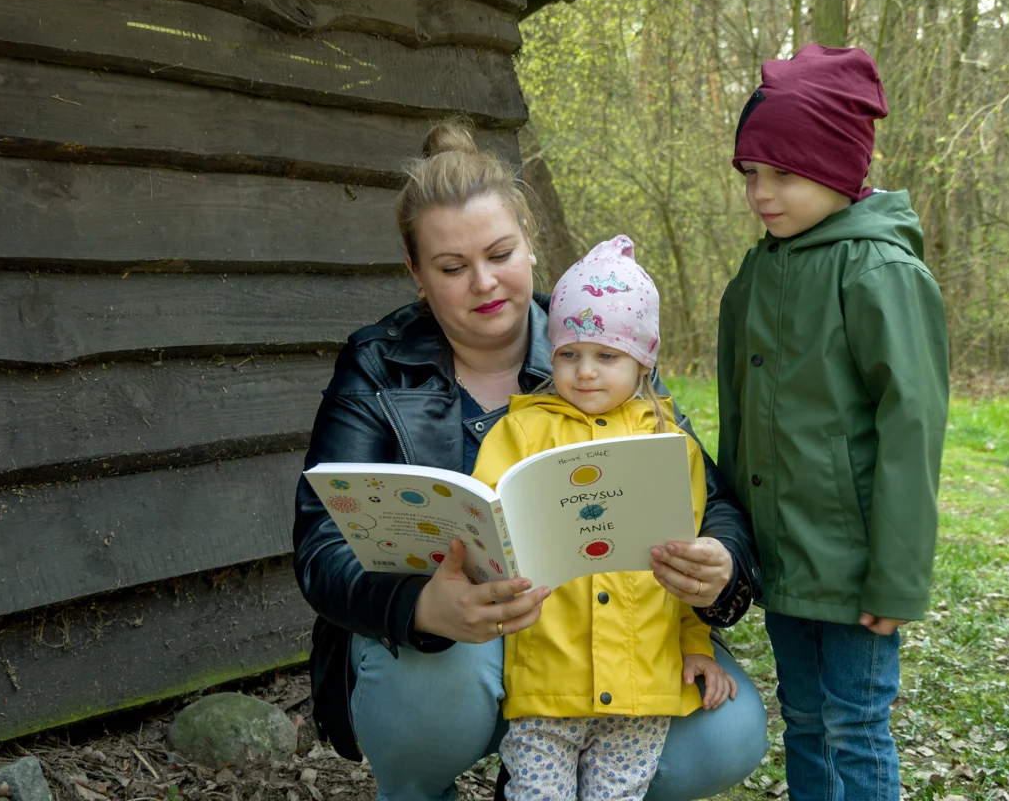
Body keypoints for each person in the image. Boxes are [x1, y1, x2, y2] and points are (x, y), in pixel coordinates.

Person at [293, 118, 767, 801]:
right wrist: (422, 605)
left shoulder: (601, 343)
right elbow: (319, 545)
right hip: (448, 650)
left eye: (501, 253)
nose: (484, 283)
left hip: (597, 634)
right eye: (452, 268)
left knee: (731, 732)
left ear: (531, 242)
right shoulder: (377, 367)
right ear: (416, 275)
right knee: (443, 677)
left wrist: (722, 559)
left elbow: (705, 492)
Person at [718, 44, 950, 801]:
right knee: (806, 721)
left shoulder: (878, 272)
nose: (761, 192)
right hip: (785, 559)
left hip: (854, 568)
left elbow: (912, 426)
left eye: (782, 173)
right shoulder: (757, 273)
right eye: (751, 173)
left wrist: (897, 574)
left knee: (855, 724)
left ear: (836, 169)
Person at [471, 236, 737, 801]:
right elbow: (485, 531)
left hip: (640, 686)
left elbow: (682, 560)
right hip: (548, 681)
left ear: (644, 359)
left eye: (607, 356)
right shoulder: (519, 433)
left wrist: (698, 644)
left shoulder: (670, 446)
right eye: (569, 354)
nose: (585, 372)